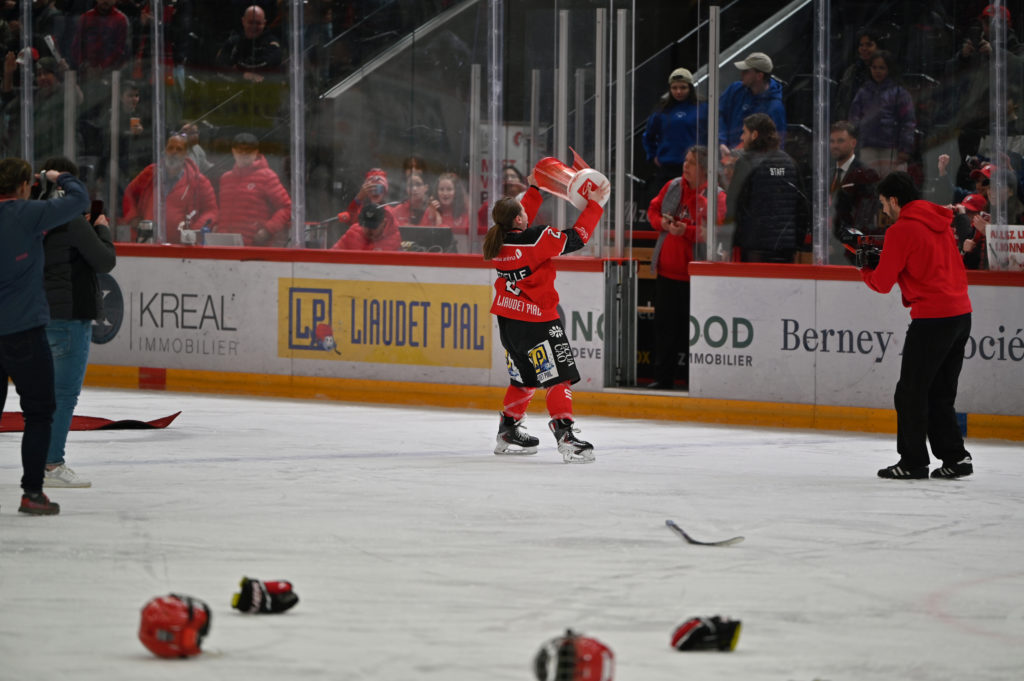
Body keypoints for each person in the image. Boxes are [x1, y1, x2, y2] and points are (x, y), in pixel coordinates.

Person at [482, 174, 604, 464]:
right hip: (538, 323)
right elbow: (578, 237)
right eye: (523, 211)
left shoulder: (497, 242)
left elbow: (520, 216)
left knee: (522, 378)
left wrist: (536, 189)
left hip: (508, 323)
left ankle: (508, 430)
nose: (527, 213)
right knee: (559, 376)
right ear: (518, 219)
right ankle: (566, 436)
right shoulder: (537, 238)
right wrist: (596, 205)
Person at [860, 171, 973, 480]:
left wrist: (865, 268)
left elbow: (882, 283)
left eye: (883, 203)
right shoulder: (940, 222)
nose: (883, 209)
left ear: (894, 200)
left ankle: (912, 461)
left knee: (910, 392)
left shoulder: (901, 230)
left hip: (933, 318)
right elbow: (924, 263)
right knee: (939, 392)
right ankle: (956, 457)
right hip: (961, 314)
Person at [0, 158, 89, 514]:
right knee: (39, 411)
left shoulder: (28, 214)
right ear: (24, 185)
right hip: (23, 330)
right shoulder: (30, 214)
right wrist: (60, 177)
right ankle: (32, 493)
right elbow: (80, 200)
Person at [40, 156, 116, 488]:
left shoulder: (31, 215)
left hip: (35, 314)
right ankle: (51, 464)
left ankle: (41, 459)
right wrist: (102, 229)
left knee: (41, 394)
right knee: (64, 393)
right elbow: (104, 260)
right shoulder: (71, 220)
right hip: (69, 316)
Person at [646, 146, 725, 390]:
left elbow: (716, 233)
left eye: (691, 163)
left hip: (696, 277)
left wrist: (686, 232)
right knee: (665, 330)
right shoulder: (672, 186)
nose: (685, 166)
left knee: (693, 332)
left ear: (704, 169)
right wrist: (663, 223)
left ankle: (696, 380)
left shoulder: (716, 196)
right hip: (666, 272)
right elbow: (653, 211)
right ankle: (663, 378)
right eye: (685, 161)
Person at [724, 113, 808, 263]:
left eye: (744, 132)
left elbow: (734, 204)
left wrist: (728, 243)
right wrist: (797, 243)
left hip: (755, 247)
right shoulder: (789, 163)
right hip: (786, 248)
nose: (741, 137)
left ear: (754, 134)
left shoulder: (746, 163)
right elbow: (802, 207)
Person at [121, 133, 218, 243]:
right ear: (165, 151)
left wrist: (194, 231)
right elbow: (129, 194)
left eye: (179, 149)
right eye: (170, 148)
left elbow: (211, 211)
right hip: (148, 243)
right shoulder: (150, 174)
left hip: (182, 247)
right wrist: (133, 218)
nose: (174, 152)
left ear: (186, 154)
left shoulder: (198, 181)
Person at [642, 67, 708, 204]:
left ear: (690, 88)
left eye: (683, 87)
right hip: (667, 167)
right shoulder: (662, 110)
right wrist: (652, 155)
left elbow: (710, 135)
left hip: (695, 168)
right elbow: (648, 136)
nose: (678, 92)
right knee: (663, 206)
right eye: (674, 88)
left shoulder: (702, 108)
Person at [847, 50, 916, 175]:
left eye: (882, 68)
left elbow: (908, 123)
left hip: (892, 149)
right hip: (867, 147)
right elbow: (854, 119)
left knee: (892, 183)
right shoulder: (863, 92)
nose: (877, 71)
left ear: (889, 69)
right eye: (874, 67)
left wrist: (904, 149)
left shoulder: (899, 93)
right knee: (868, 182)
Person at [217, 132, 292, 246]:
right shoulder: (226, 179)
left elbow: (287, 207)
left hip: (254, 247)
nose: (244, 154)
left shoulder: (267, 176)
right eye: (240, 150)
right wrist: (216, 227)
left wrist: (267, 230)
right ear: (233, 151)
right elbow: (221, 212)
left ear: (256, 152)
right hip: (225, 245)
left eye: (249, 150)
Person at [828, 120, 880, 263]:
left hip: (852, 249)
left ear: (853, 143)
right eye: (832, 141)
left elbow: (865, 216)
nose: (835, 145)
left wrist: (846, 243)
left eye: (840, 141)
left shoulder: (865, 174)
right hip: (831, 246)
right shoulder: (828, 173)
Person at [718, 52, 786, 149]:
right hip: (724, 152)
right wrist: (721, 141)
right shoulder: (735, 89)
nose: (741, 74)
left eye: (746, 71)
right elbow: (718, 114)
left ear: (759, 76)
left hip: (751, 157)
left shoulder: (775, 108)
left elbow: (776, 144)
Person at [215, 5, 283, 84]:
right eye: (250, 22)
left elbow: (269, 63)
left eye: (258, 23)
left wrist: (236, 68)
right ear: (243, 21)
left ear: (264, 23)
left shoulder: (271, 43)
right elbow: (220, 66)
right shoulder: (233, 41)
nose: (254, 26)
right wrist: (242, 75)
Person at [834, 27, 883, 121]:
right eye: (861, 45)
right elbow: (842, 101)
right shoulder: (852, 71)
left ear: (878, 47)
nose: (864, 48)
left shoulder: (887, 71)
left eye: (869, 45)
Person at [330, 201, 401, 251]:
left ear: (383, 222)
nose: (369, 230)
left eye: (373, 226)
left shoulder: (393, 238)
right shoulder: (353, 232)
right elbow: (333, 254)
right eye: (366, 225)